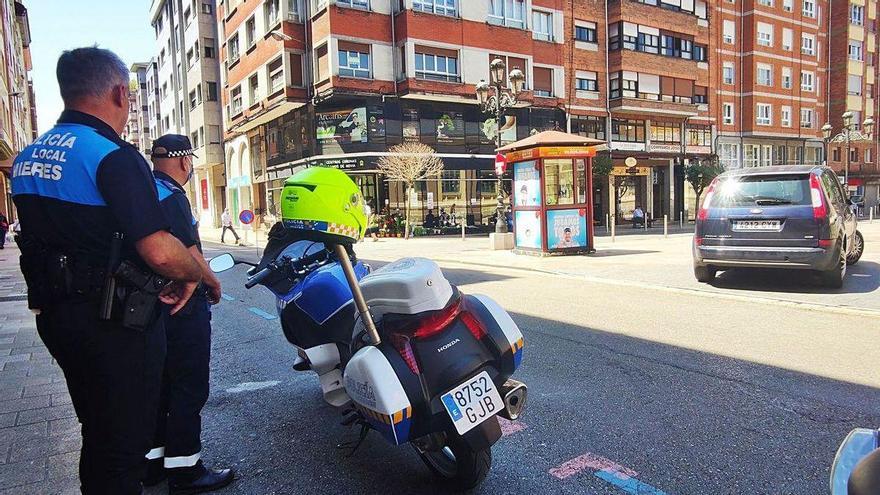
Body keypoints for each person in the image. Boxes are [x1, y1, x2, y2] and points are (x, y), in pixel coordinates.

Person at [11, 47, 202, 494]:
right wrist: (193, 273)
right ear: (119, 92)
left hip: (56, 318)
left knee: (97, 429)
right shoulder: (110, 156)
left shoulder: (27, 158)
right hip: (114, 324)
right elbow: (158, 249)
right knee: (123, 444)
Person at [147, 135, 235, 493]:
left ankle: (153, 465)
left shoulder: (143, 190)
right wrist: (213, 283)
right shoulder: (172, 194)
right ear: (185, 162)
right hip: (183, 306)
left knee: (160, 385)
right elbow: (191, 252)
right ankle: (186, 470)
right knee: (189, 384)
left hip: (152, 306)